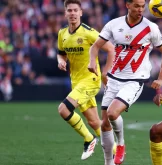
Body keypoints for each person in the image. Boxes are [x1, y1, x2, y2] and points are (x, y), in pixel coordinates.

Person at [88, 0, 162, 164]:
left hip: (134, 80)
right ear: (127, 5)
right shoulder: (113, 25)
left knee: (113, 113)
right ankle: (108, 162)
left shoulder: (150, 28)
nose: (140, 10)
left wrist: (161, 78)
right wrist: (92, 61)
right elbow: (95, 46)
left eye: (143, 6)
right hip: (114, 79)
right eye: (136, 6)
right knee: (104, 124)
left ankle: (121, 144)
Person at [56, 0, 114, 160]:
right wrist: (60, 60)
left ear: (81, 12)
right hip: (76, 82)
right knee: (95, 123)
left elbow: (110, 49)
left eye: (76, 10)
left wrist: (105, 73)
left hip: (91, 80)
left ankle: (89, 139)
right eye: (70, 10)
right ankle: (116, 152)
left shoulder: (89, 32)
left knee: (63, 109)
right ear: (65, 13)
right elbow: (61, 52)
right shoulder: (62, 34)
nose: (73, 13)